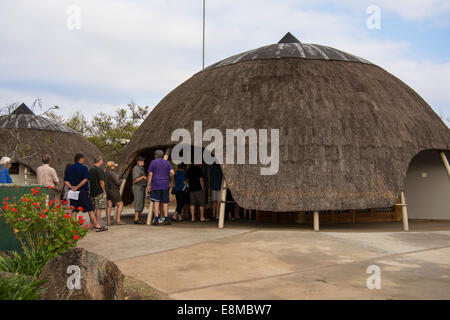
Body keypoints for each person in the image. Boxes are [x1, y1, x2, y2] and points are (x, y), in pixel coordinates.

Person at [64, 153, 107, 232]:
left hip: (72, 192)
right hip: (82, 191)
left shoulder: (69, 169)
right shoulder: (84, 168)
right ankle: (97, 226)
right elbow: (85, 179)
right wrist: (77, 187)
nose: (83, 160)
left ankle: (73, 227)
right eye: (83, 159)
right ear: (80, 159)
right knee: (90, 209)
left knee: (74, 209)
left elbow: (66, 181)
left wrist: (72, 187)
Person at [147, 150, 175, 226]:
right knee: (165, 202)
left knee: (156, 202)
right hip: (165, 184)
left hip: (156, 184)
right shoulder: (167, 162)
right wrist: (168, 177)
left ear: (155, 156)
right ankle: (166, 219)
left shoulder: (153, 162)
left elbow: (150, 174)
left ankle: (156, 219)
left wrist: (148, 185)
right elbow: (172, 172)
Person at [89, 155, 108, 230]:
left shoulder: (91, 170)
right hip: (99, 192)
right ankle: (98, 224)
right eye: (102, 160)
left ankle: (92, 224)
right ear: (99, 161)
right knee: (98, 208)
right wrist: (104, 190)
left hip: (92, 191)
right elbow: (101, 181)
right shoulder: (99, 170)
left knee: (92, 209)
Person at [105, 161, 124, 226]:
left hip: (107, 191)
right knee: (120, 204)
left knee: (109, 206)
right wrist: (120, 181)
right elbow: (117, 182)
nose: (115, 167)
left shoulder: (105, 173)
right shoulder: (112, 173)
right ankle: (118, 220)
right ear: (111, 166)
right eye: (114, 166)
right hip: (114, 190)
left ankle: (108, 221)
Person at [132, 156, 147, 224]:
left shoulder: (141, 168)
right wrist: (142, 177)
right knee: (138, 202)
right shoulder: (136, 168)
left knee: (141, 202)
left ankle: (137, 218)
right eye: (142, 161)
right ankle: (136, 219)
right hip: (138, 187)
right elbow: (135, 180)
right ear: (138, 162)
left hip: (142, 187)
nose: (143, 162)